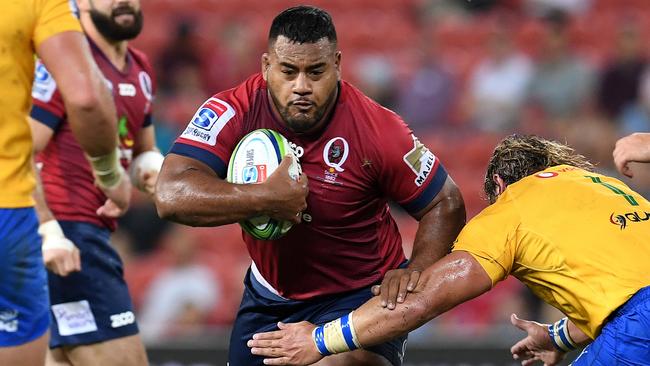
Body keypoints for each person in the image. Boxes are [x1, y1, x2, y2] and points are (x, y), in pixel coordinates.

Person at [154, 6, 465, 366]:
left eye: (315, 72)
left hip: (360, 294)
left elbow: (447, 202)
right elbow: (170, 195)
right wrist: (264, 198)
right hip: (270, 296)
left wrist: (416, 269)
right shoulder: (232, 110)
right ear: (267, 66)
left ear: (337, 65)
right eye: (288, 71)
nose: (301, 86)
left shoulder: (379, 130)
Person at [247, 134, 650, 366]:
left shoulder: (512, 208)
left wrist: (319, 339)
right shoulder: (607, 188)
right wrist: (559, 336)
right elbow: (622, 288)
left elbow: (419, 303)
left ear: (498, 184)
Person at [0, 1, 131, 365]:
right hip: (10, 208)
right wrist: (109, 173)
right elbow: (86, 96)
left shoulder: (141, 69)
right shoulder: (40, 4)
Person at [29, 0, 158, 364]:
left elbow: (143, 152)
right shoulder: (64, 62)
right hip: (67, 240)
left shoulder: (142, 68)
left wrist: (154, 172)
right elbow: (17, 153)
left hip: (91, 236)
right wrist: (48, 231)